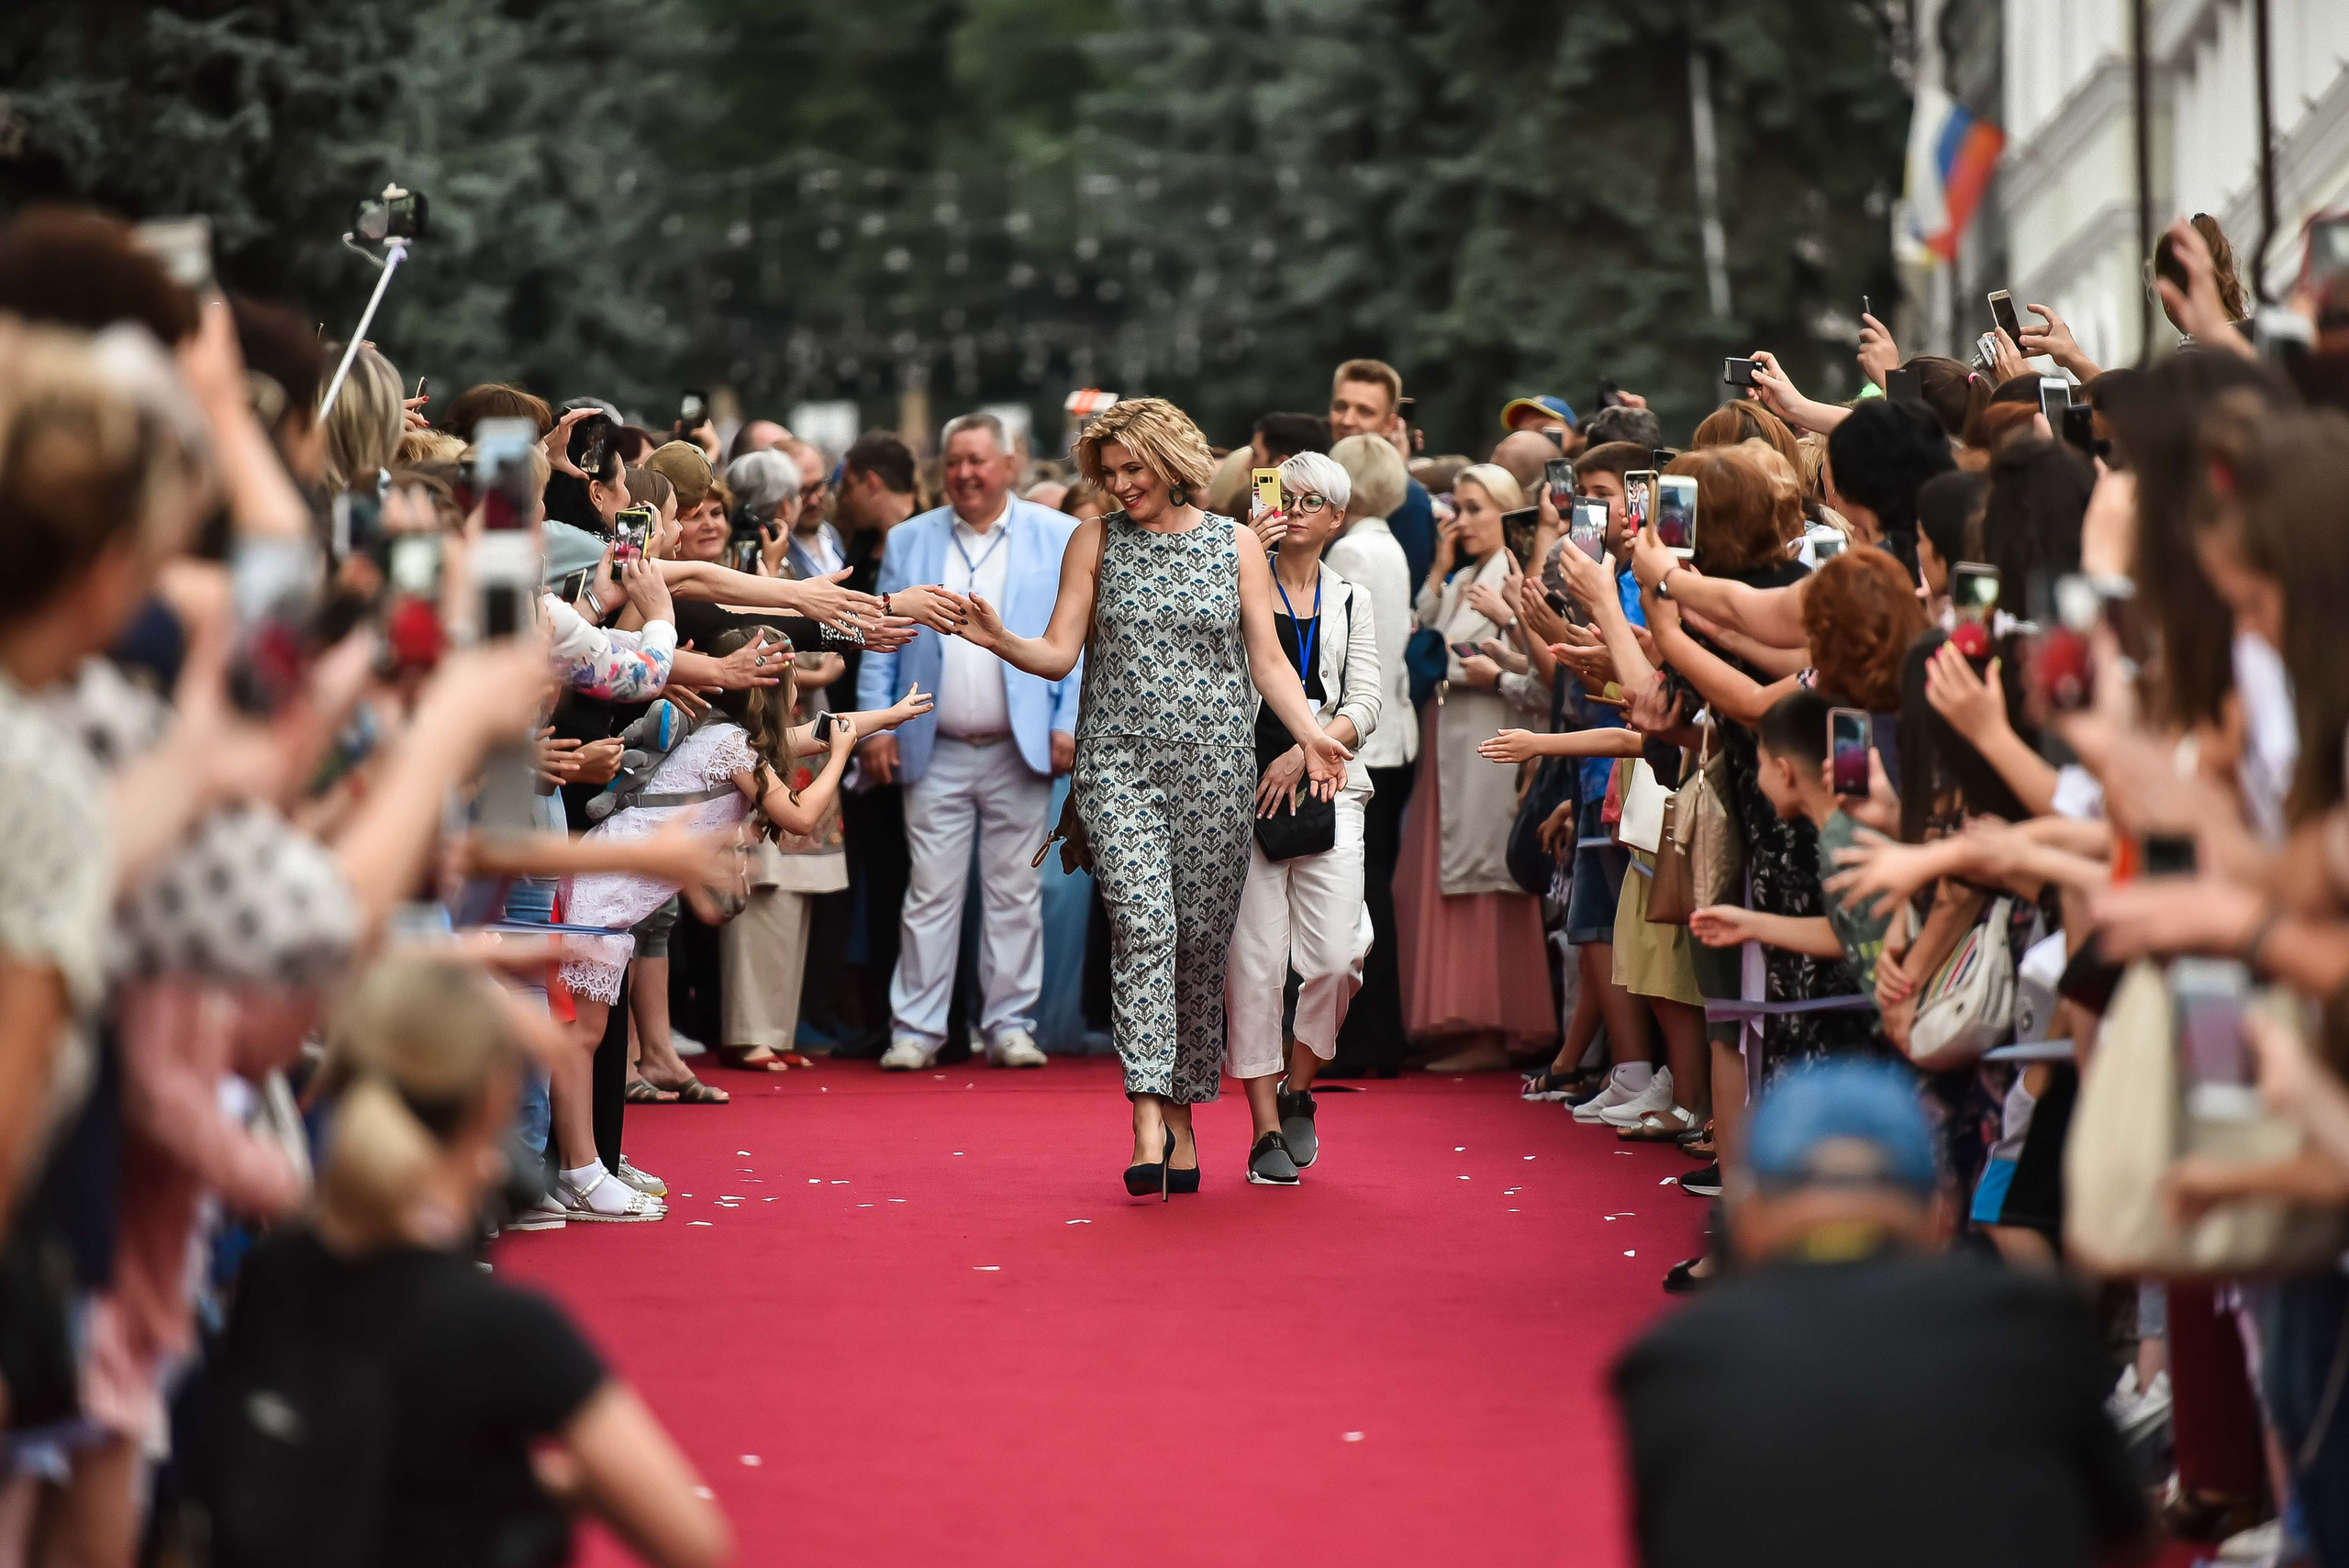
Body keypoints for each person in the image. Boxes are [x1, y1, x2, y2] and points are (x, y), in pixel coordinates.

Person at [201, 957, 730, 1568]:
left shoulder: (274, 1276)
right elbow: (694, 1540)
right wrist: (554, 1484)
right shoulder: (507, 1330)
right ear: (491, 1105)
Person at [957, 396, 1349, 1195]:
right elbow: (1061, 653)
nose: (1120, 484)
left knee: (1200, 950)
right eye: (1109, 473)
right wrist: (999, 639)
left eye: (1132, 469)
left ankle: (1181, 1115)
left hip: (1217, 771)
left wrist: (1310, 734)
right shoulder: (1093, 540)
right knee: (1144, 927)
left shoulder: (1236, 543)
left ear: (1172, 462)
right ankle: (1144, 1113)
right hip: (1117, 766)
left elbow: (1270, 665)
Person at [1612, 1059, 2148, 1568]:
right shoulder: (2035, 1329)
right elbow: (2125, 1537)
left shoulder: (1677, 1362)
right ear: (1942, 1211)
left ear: (1747, 1219)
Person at [858, 411, 1074, 1072]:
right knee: (930, 890)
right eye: (954, 460)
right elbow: (878, 635)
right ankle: (917, 1031)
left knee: (1015, 892)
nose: (965, 473)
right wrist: (876, 721)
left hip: (1023, 745)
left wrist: (1067, 720)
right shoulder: (910, 538)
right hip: (934, 742)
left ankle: (1010, 1025)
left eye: (978, 460)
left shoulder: (1060, 535)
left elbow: (1080, 640)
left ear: (1012, 464)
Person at [1224, 450, 1382, 1184]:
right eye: (1280, 493)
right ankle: (1263, 1130)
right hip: (1242, 788)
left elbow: (1368, 700)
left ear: (1336, 518)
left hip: (1328, 781)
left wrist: (1311, 744)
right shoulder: (1229, 576)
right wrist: (1241, 557)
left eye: (1309, 499)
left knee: (1337, 957)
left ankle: (1298, 1088)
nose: (1290, 506)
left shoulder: (1351, 595)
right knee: (1255, 963)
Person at [1395, 462, 1552, 1072]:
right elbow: (1427, 637)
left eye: (1476, 507)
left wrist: (1499, 665)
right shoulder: (1465, 575)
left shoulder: (1513, 576)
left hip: (1493, 742)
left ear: (1508, 511)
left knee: (1490, 874)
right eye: (1457, 506)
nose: (1462, 519)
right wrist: (1437, 573)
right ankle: (1461, 1020)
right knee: (1446, 872)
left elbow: (1545, 681)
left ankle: (1498, 1026)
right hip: (1452, 744)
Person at [1323, 433, 1419, 1077]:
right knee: (1370, 887)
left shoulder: (1353, 550)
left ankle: (1362, 1038)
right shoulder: (1388, 545)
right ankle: (1372, 1036)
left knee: (1357, 896)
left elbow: (1342, 646)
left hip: (1364, 737)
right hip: (1392, 732)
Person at [1329, 358, 1436, 588]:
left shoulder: (1408, 498)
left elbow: (1407, 593)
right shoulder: (1312, 482)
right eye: (1340, 407)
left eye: (1365, 412)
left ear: (1390, 424)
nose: (1347, 420)